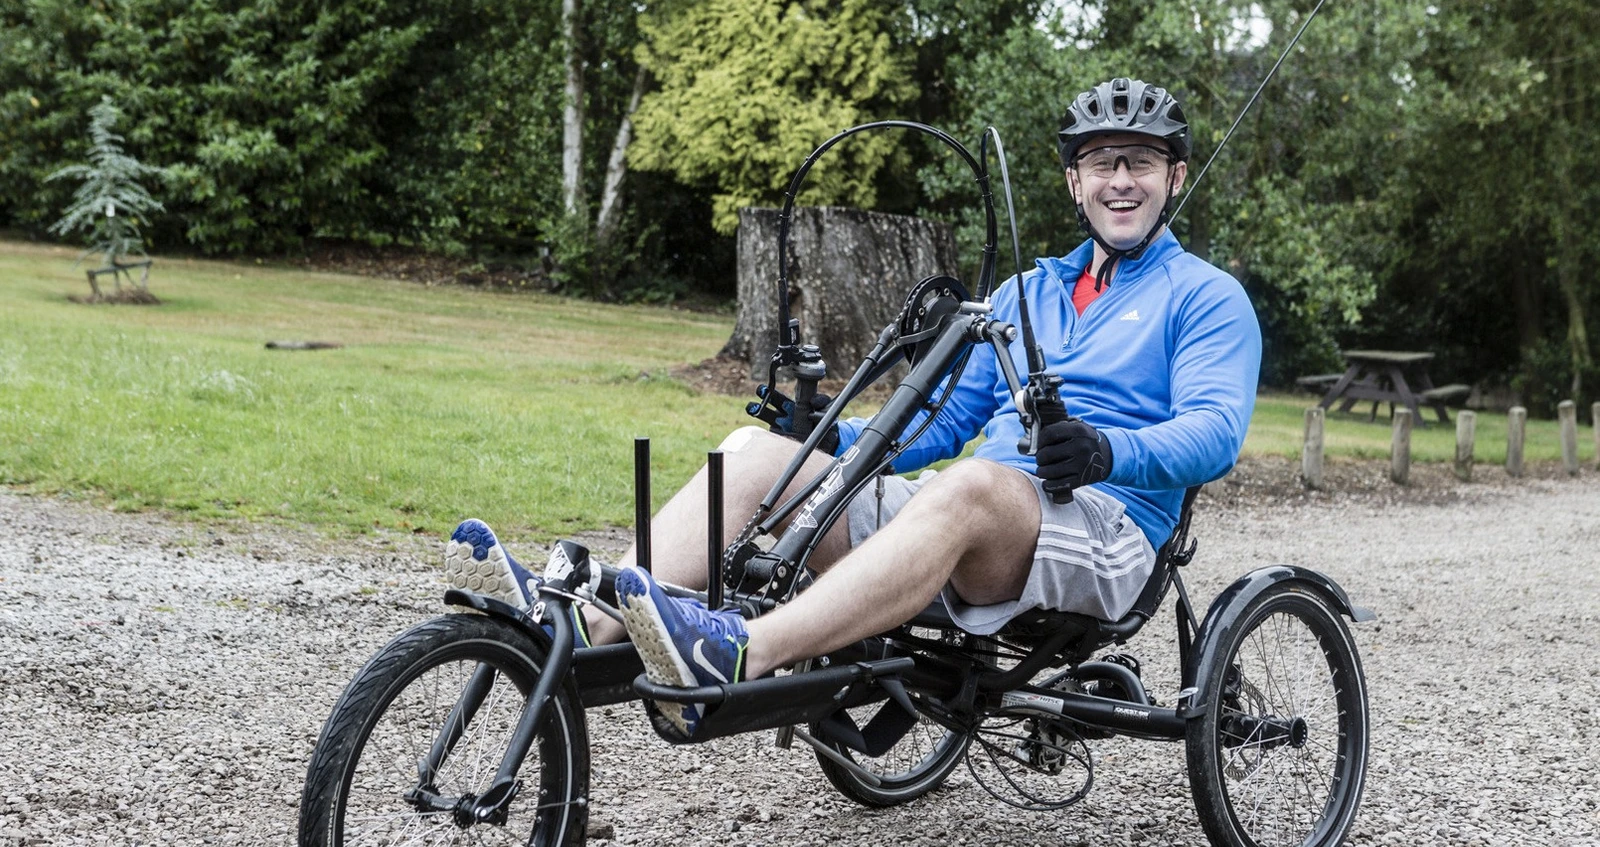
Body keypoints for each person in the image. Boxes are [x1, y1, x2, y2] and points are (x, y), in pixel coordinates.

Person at [445, 78, 1262, 738]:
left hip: (1106, 525)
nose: (1122, 179)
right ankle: (585, 625)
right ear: (1074, 181)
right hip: (977, 512)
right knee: (758, 452)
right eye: (1102, 162)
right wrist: (828, 437)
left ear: (1174, 177)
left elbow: (1216, 432)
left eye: (1142, 161)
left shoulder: (1206, 298)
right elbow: (939, 423)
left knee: (975, 484)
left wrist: (1107, 453)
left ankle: (738, 654)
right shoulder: (1027, 290)